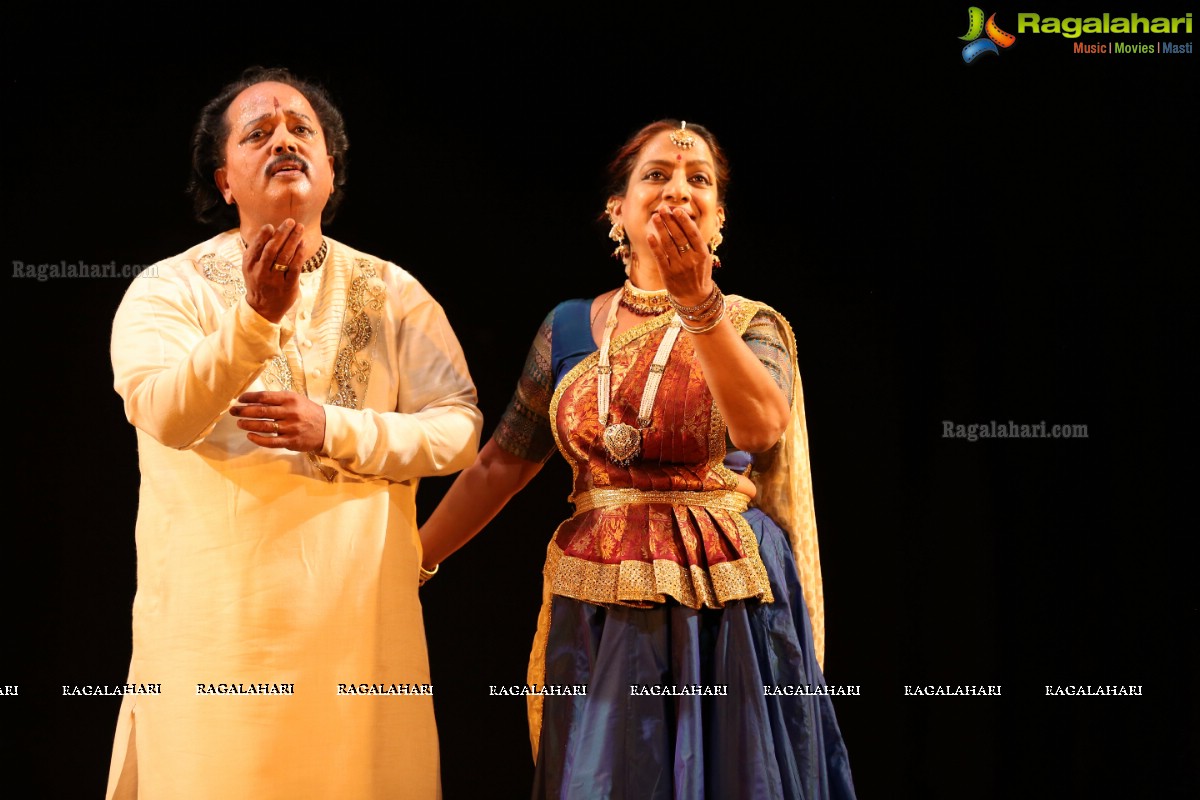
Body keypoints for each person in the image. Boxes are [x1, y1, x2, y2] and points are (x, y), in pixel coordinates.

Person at [419, 119, 857, 799]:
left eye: (698, 179)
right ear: (616, 211)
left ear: (718, 219)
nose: (678, 189)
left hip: (727, 597)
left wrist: (697, 304)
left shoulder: (750, 324)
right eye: (656, 175)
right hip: (599, 595)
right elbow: (500, 464)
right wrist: (413, 561)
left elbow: (762, 425)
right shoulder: (568, 327)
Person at [106, 66, 482, 799]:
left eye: (301, 129)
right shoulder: (168, 289)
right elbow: (163, 411)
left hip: (361, 631)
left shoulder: (393, 293)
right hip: (220, 636)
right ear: (224, 180)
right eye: (258, 133)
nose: (284, 139)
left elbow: (459, 431)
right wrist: (253, 320)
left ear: (332, 166)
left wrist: (333, 428)